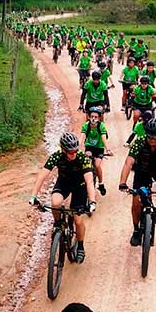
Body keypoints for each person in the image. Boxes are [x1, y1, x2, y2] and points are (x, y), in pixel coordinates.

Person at [29, 132, 96, 263]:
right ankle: (58, 223)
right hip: (63, 183)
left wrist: (92, 201)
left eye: (75, 150)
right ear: (63, 150)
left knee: (77, 220)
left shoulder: (82, 158)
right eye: (70, 152)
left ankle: (80, 247)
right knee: (55, 203)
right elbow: (42, 176)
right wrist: (33, 195)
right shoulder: (56, 156)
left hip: (79, 187)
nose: (74, 154)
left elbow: (89, 181)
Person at [81, 107, 112, 196]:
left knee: (97, 165)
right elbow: (82, 137)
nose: (93, 119)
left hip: (99, 148)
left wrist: (108, 149)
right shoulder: (86, 126)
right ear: (89, 117)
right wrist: (76, 147)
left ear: (99, 118)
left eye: (95, 117)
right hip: (89, 147)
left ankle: (101, 183)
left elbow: (104, 138)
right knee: (87, 157)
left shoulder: (101, 126)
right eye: (92, 116)